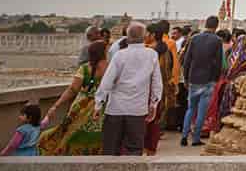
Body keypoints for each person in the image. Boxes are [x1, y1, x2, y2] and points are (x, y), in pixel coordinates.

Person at [94, 20, 161, 156]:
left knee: (110, 149)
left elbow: (107, 82)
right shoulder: (152, 55)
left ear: (128, 37)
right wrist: (154, 104)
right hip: (137, 109)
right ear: (144, 36)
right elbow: (156, 83)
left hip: (115, 109)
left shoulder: (120, 55)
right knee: (135, 150)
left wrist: (98, 104)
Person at [40, 39, 108, 155]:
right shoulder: (110, 68)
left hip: (81, 107)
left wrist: (56, 106)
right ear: (103, 53)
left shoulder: (85, 69)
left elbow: (72, 90)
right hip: (102, 108)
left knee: (69, 133)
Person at [180, 15, 223, 147]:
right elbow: (218, 63)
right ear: (216, 26)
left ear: (205, 24)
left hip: (193, 79)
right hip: (208, 80)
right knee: (202, 111)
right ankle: (196, 138)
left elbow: (187, 61)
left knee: (191, 109)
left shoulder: (194, 38)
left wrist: (186, 78)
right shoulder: (217, 40)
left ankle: (184, 136)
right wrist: (215, 79)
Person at [143, 22, 174, 155]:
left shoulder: (148, 51)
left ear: (153, 35)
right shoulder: (165, 50)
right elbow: (169, 70)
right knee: (154, 121)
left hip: (146, 90)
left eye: (147, 33)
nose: (145, 36)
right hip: (160, 89)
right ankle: (151, 149)